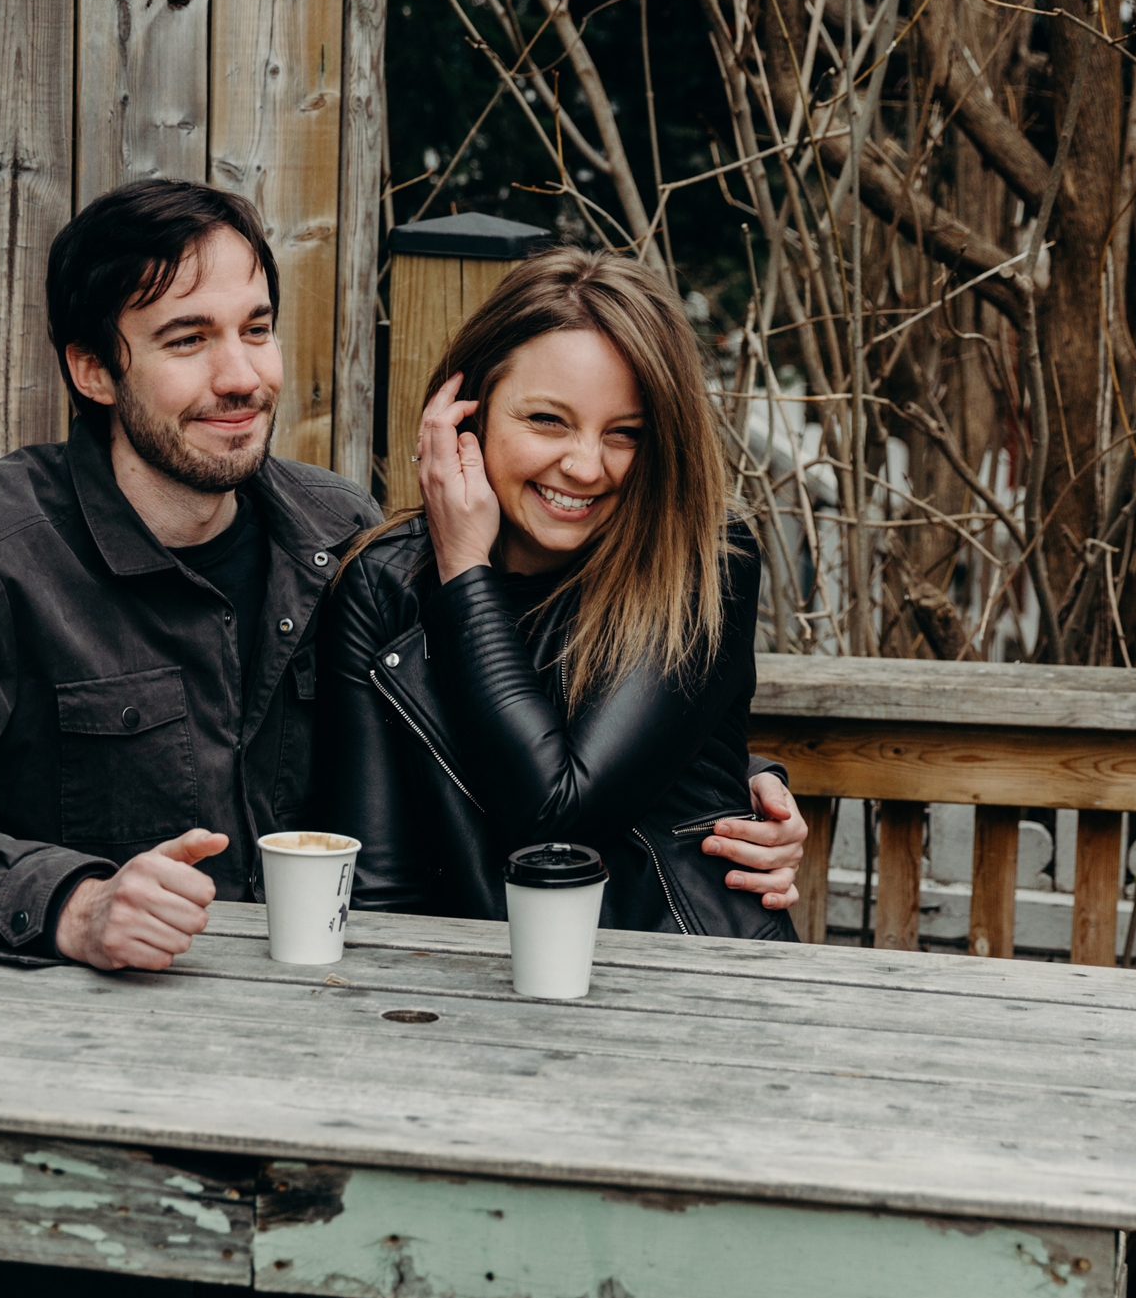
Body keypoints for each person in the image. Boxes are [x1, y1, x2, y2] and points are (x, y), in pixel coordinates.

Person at [0, 178, 807, 972]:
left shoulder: (340, 537)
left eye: (256, 329)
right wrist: (68, 901)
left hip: (336, 1019)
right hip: (92, 1049)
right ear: (91, 366)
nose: (241, 375)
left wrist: (716, 786)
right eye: (187, 338)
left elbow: (523, 716)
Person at [312, 246, 797, 939]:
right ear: (466, 413)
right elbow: (375, 885)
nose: (586, 466)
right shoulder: (382, 582)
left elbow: (561, 818)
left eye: (625, 433)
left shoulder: (701, 559)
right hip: (470, 994)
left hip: (684, 981)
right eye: (547, 420)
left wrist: (463, 571)